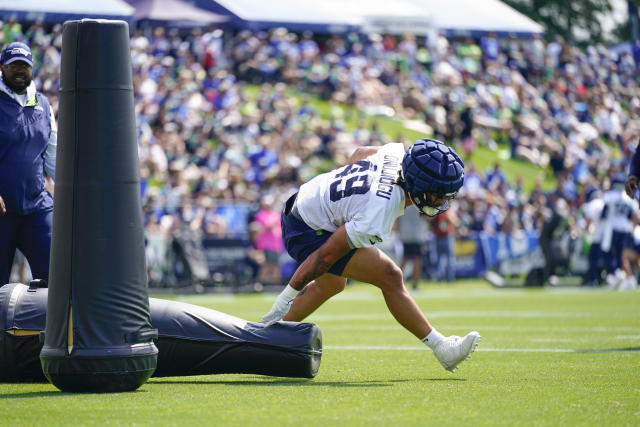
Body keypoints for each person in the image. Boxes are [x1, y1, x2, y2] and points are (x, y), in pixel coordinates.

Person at [260, 139, 480, 372]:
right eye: (438, 194)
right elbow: (323, 258)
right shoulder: (378, 213)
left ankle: (270, 337)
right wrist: (284, 298)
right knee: (389, 276)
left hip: (307, 200)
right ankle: (442, 347)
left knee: (332, 284)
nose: (442, 201)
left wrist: (347, 200)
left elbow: (359, 153)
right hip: (305, 228)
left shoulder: (397, 155)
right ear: (419, 185)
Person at [0, 42, 57, 286]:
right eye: (14, 66)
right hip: (2, 211)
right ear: (2, 68)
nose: (19, 71)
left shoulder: (43, 105)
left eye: (24, 66)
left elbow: (54, 156)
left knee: (56, 273)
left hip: (36, 206)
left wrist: (72, 193)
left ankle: (53, 326)